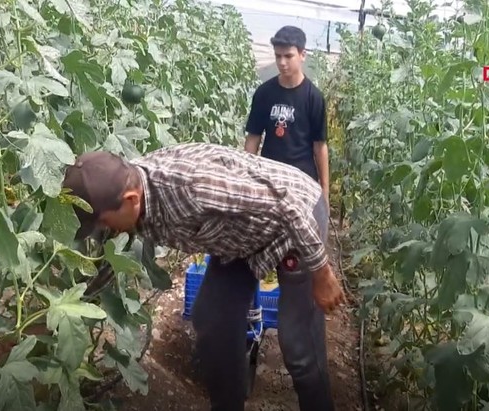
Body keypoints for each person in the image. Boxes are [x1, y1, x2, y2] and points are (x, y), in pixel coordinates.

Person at [62, 143, 344, 411]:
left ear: (131, 201)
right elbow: (104, 266)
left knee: (299, 349)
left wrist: (322, 271)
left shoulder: (194, 188)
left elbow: (288, 207)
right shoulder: (124, 190)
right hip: (241, 238)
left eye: (103, 222)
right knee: (213, 317)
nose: (103, 229)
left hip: (297, 218)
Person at [244, 26, 330, 210]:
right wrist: (245, 177)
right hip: (269, 178)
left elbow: (320, 146)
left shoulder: (313, 97)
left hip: (302, 181)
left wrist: (324, 192)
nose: (282, 62)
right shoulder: (264, 93)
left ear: (302, 55)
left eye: (288, 56)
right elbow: (253, 138)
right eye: (277, 56)